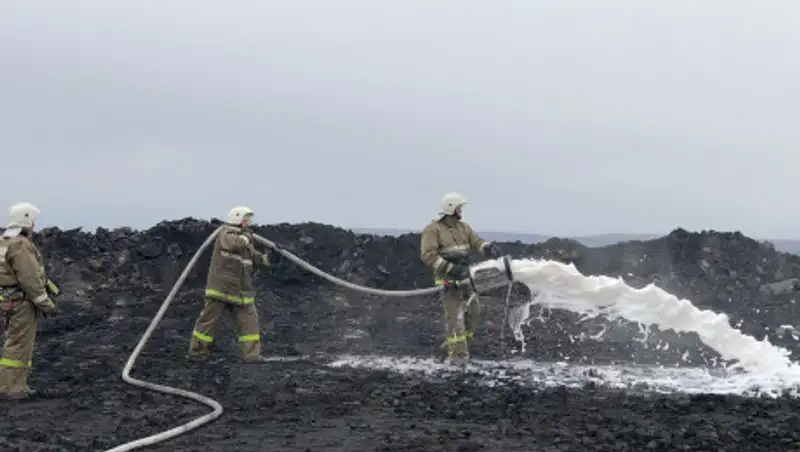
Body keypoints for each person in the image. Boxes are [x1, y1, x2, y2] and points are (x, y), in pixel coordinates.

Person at [187, 206, 281, 364]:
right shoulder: (226, 234)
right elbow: (233, 244)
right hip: (221, 290)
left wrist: (271, 257)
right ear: (238, 219)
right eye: (246, 219)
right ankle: (197, 353)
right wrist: (246, 237)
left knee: (250, 325)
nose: (249, 223)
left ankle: (252, 356)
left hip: (242, 292)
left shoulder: (245, 241)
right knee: (208, 322)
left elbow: (256, 258)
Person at [420, 192, 501, 365]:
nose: (461, 210)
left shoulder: (463, 228)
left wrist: (487, 248)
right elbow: (428, 255)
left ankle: (451, 348)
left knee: (473, 313)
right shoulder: (434, 230)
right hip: (449, 282)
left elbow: (476, 241)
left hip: (465, 279)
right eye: (459, 207)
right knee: (455, 319)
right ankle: (458, 357)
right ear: (450, 208)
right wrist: (451, 269)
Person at [0, 202, 58, 400]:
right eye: (32, 221)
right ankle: (12, 388)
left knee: (13, 342)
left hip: (8, 300)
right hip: (21, 303)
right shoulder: (21, 245)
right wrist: (46, 304)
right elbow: (29, 279)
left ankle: (13, 385)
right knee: (19, 345)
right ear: (26, 221)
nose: (34, 225)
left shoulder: (5, 241)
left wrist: (47, 284)